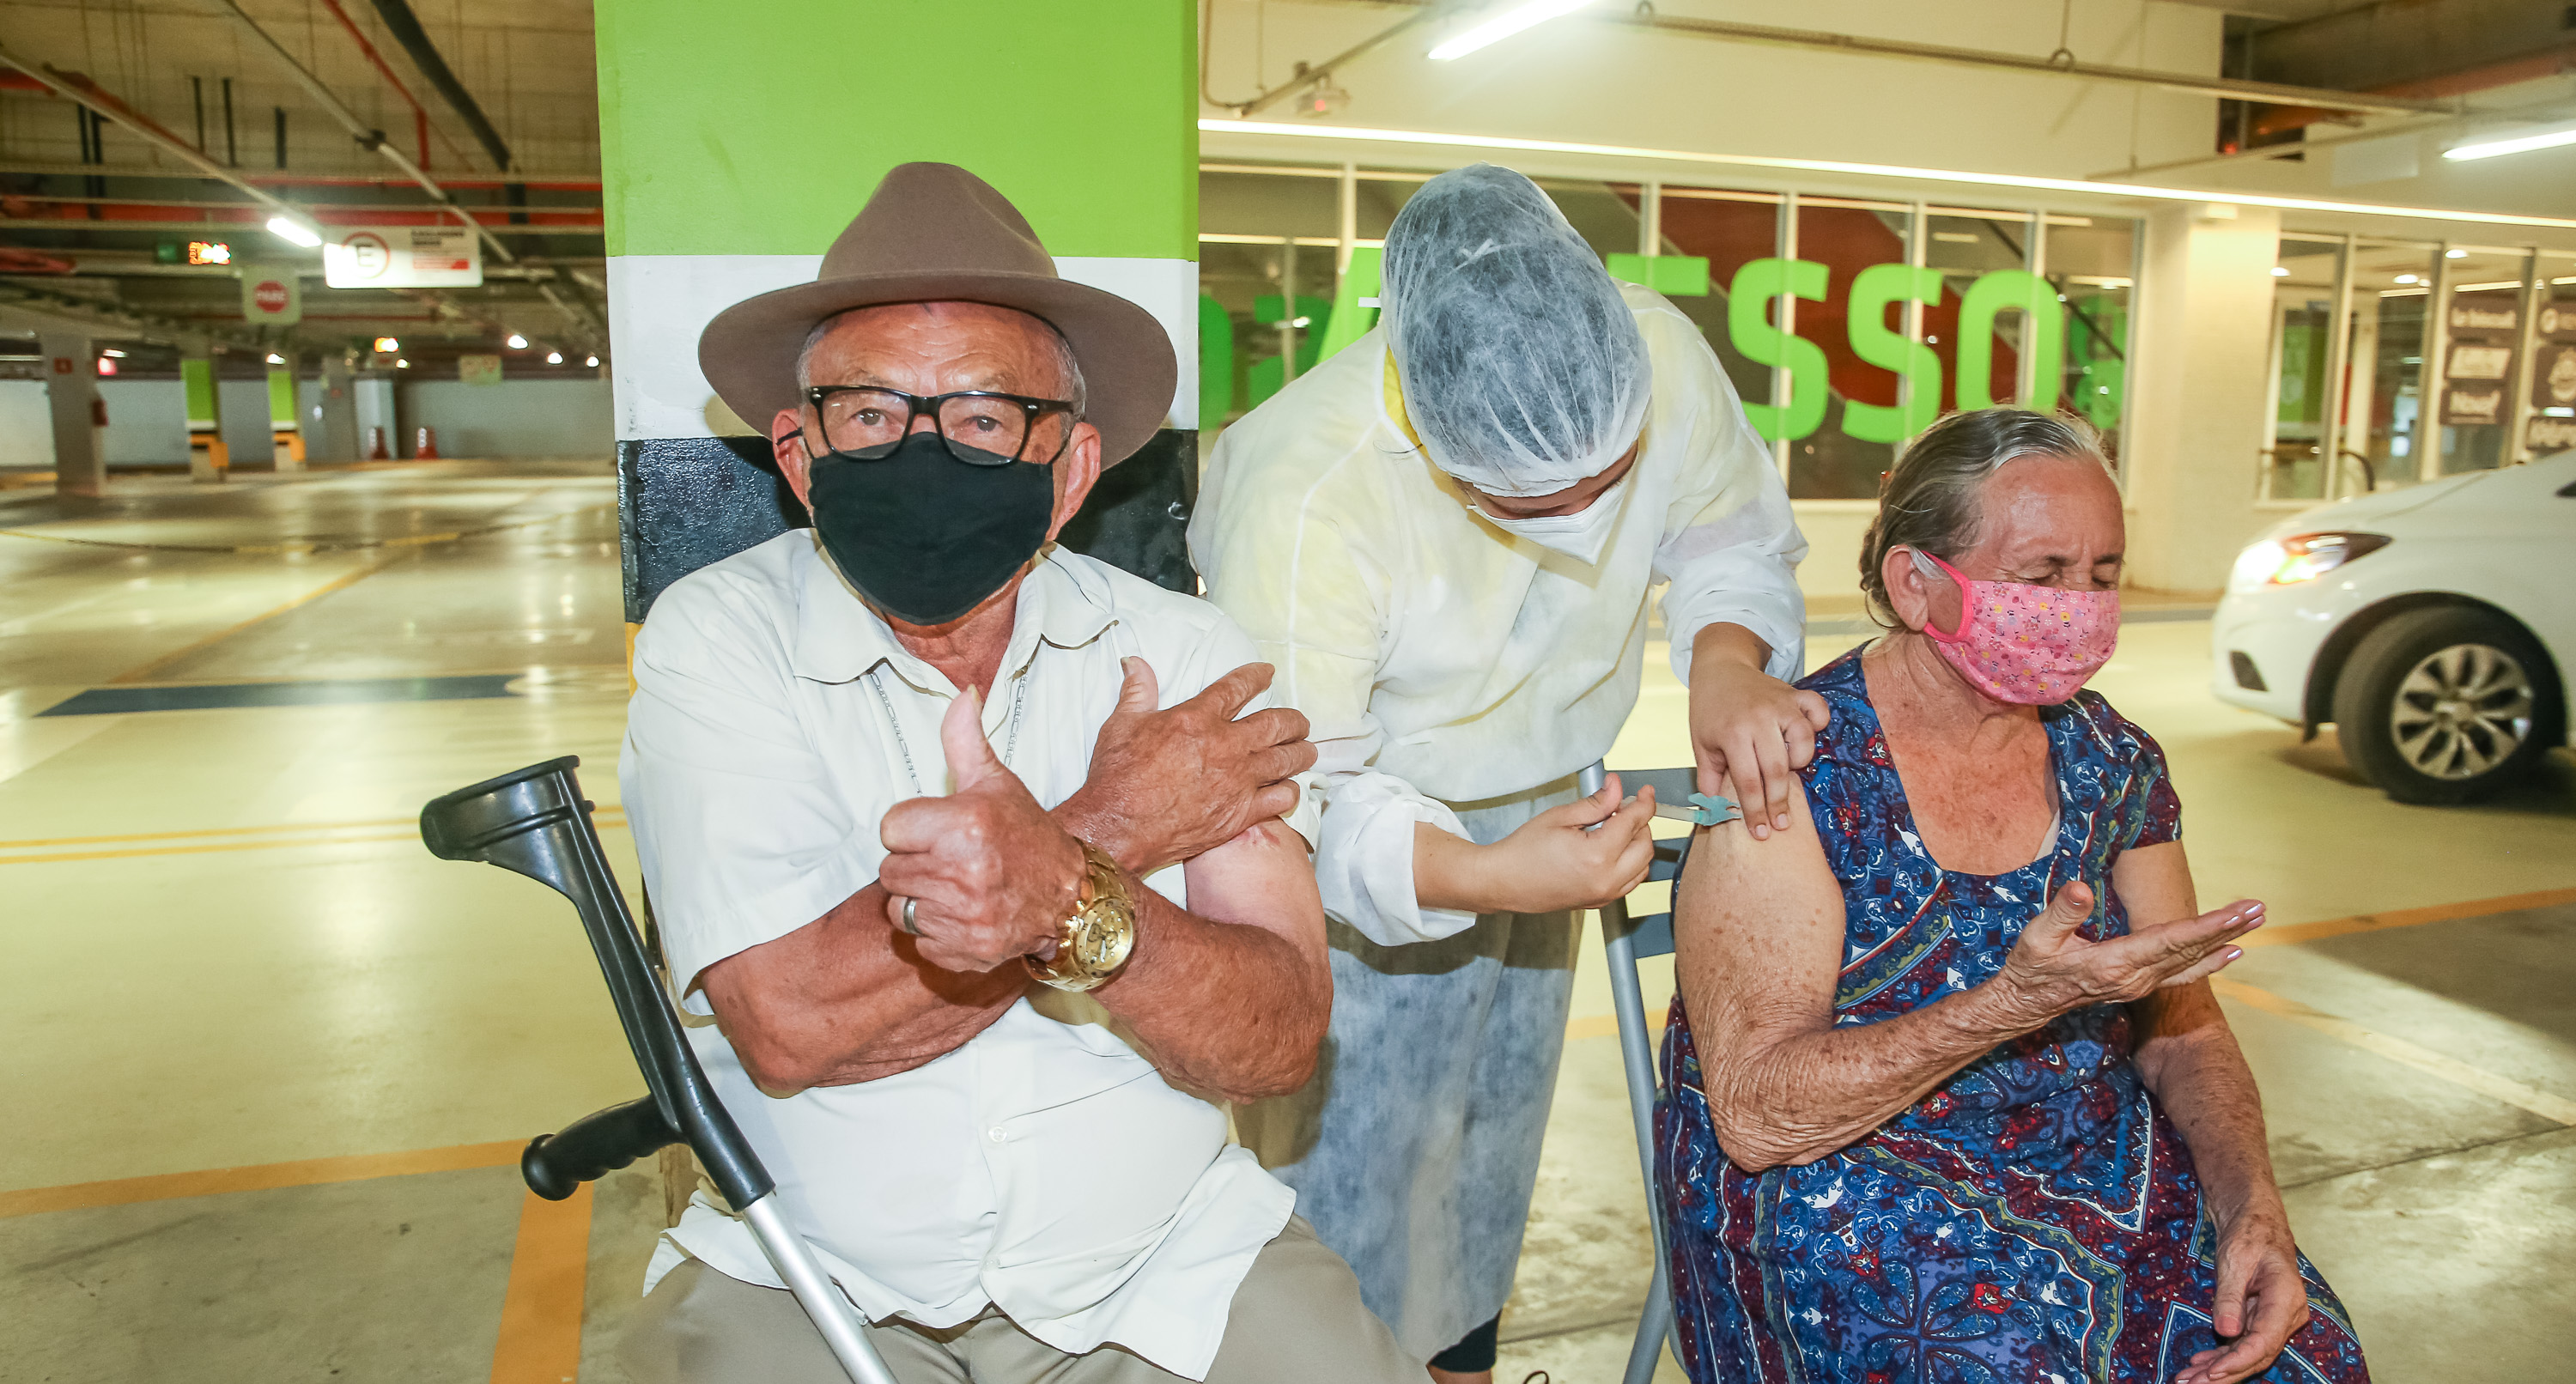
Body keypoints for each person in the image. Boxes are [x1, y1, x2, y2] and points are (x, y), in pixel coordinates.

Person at [616, 162, 1421, 1384]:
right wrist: (1109, 833)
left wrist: (1060, 892)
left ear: (1073, 468)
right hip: (808, 1271)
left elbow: (1270, 1042)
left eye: (985, 419)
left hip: (1162, 1261)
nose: (922, 453)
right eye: (870, 414)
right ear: (799, 451)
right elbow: (788, 1025)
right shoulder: (718, 639)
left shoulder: (1189, 661)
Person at [1190, 162, 1823, 1378]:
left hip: (1554, 791)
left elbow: (1727, 531)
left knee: (1487, 1156)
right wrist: (1476, 871)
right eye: (1529, 501)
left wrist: (1728, 664)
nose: (1583, 517)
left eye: (1608, 480)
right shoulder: (1307, 487)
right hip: (1368, 839)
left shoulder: (1650, 352)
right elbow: (1294, 793)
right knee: (1350, 1193)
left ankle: (1466, 1362)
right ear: (1434, 438)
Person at [1654, 409, 2371, 1384]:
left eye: (2104, 574)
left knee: (2309, 1357)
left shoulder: (2113, 760)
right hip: (1851, 1187)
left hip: (2093, 1164)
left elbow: (2185, 1031)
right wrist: (2008, 1005)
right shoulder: (1794, 766)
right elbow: (1759, 1115)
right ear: (1916, 583)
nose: (2082, 607)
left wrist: (2254, 1209)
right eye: (2042, 575)